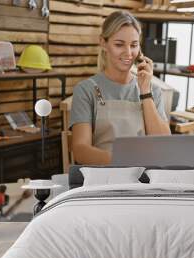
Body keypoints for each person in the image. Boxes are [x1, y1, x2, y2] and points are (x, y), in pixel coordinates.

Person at [70, 10, 171, 165]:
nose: (128, 53)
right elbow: (80, 150)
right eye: (119, 44)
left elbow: (164, 146)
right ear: (103, 43)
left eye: (134, 45)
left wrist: (145, 92)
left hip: (144, 179)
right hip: (102, 177)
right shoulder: (85, 90)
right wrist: (124, 163)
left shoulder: (151, 91)